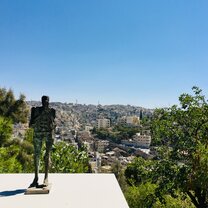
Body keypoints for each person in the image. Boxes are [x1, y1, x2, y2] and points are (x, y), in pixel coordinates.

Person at [29, 95, 56, 188]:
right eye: (44, 101)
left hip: (48, 134)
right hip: (38, 134)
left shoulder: (52, 111)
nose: (46, 103)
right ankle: (36, 178)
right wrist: (39, 115)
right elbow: (30, 125)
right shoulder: (35, 110)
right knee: (37, 155)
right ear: (42, 101)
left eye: (47, 101)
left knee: (47, 155)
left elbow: (54, 125)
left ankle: (46, 178)